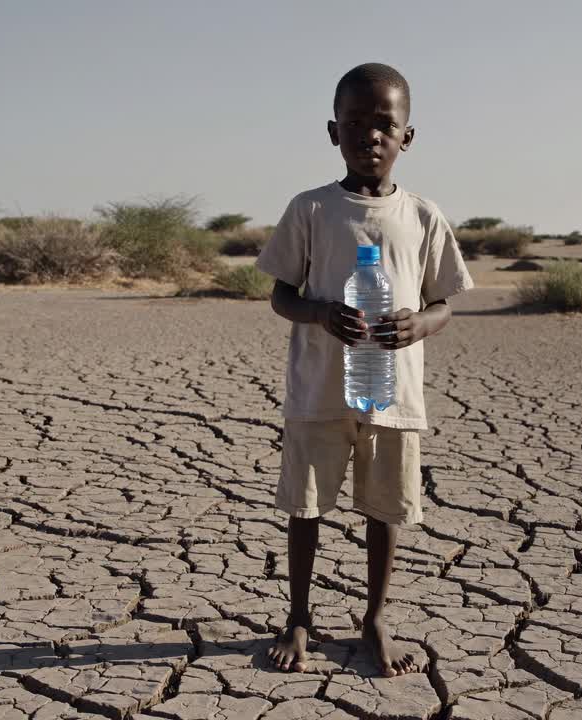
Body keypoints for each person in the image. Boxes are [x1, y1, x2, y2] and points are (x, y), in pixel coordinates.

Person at [254, 62, 474, 677]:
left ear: (408, 135)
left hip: (393, 395)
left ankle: (374, 617)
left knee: (384, 512)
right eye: (355, 123)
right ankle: (299, 616)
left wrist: (419, 324)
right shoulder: (312, 209)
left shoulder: (424, 216)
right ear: (333, 131)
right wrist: (320, 312)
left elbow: (444, 304)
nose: (370, 136)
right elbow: (281, 296)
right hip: (319, 390)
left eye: (385, 124)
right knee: (307, 508)